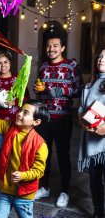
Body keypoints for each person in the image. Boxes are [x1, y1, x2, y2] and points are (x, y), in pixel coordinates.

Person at [34, 33, 83, 208]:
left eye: (55, 46)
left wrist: (57, 90)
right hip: (45, 118)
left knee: (62, 155)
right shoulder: (44, 66)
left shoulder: (71, 66)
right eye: (48, 46)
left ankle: (64, 191)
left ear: (62, 48)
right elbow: (41, 90)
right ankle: (44, 187)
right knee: (43, 155)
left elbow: (79, 89)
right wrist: (38, 89)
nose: (51, 49)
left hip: (62, 118)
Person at [0, 50, 29, 163]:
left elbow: (26, 98)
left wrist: (15, 102)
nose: (3, 65)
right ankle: (1, 176)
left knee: (15, 149)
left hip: (15, 120)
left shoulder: (18, 79)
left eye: (5, 62)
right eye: (0, 63)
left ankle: (13, 176)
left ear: (10, 63)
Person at [78, 48, 105, 218]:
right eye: (100, 56)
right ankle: (98, 212)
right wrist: (84, 123)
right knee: (95, 180)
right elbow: (81, 110)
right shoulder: (89, 85)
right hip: (92, 143)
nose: (101, 59)